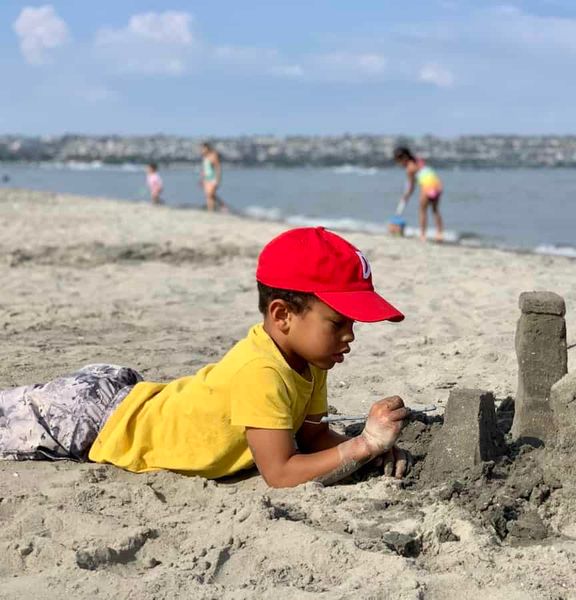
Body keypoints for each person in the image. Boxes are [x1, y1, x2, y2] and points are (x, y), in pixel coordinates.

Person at [0, 227, 410, 487]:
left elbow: (313, 437)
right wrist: (362, 445)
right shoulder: (262, 371)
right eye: (337, 323)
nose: (349, 337)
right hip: (95, 418)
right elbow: (281, 473)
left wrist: (369, 452)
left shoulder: (310, 358)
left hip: (132, 396)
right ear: (282, 315)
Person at [393, 146, 444, 242]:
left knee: (422, 210)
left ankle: (423, 235)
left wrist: (406, 196)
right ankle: (439, 233)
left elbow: (411, 186)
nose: (399, 164)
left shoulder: (409, 168)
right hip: (437, 184)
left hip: (427, 187)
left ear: (403, 158)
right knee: (435, 210)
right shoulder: (418, 161)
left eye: (398, 161)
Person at [200, 142, 228, 212]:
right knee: (208, 196)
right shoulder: (204, 157)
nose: (201, 150)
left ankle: (222, 205)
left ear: (207, 148)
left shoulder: (213, 156)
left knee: (210, 194)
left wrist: (218, 179)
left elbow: (218, 168)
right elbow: (204, 169)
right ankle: (210, 210)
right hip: (206, 179)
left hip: (213, 178)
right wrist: (202, 179)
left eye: (203, 148)